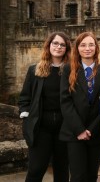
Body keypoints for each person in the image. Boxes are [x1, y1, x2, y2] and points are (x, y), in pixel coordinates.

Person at [18, 32, 71, 182]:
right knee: (36, 169)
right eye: (55, 43)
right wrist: (26, 115)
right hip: (41, 127)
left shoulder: (71, 70)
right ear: (49, 45)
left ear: (66, 48)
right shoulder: (35, 70)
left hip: (64, 127)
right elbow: (24, 97)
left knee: (62, 170)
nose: (58, 47)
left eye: (62, 44)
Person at [59, 32, 100, 182]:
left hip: (96, 131)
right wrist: (79, 130)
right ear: (77, 48)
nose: (87, 48)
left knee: (92, 175)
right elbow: (66, 102)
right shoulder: (68, 70)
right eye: (83, 45)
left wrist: (91, 129)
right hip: (74, 132)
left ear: (96, 47)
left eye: (91, 44)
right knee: (78, 176)